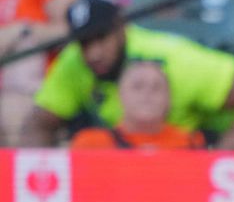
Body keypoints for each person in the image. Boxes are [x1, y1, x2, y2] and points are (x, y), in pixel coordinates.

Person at [21, 0, 234, 149]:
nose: (94, 53)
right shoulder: (74, 62)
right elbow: (38, 123)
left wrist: (219, 161)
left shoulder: (174, 58)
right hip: (120, 159)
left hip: (187, 152)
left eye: (101, 38)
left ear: (120, 28)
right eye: (85, 42)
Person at [69, 59, 206, 149]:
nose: (147, 93)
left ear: (169, 99)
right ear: (119, 95)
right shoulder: (90, 145)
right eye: (137, 86)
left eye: (157, 87)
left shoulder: (191, 144)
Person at [0, 0, 72, 145]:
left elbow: (71, 30)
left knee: (14, 109)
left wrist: (23, 30)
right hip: (9, 90)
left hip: (38, 89)